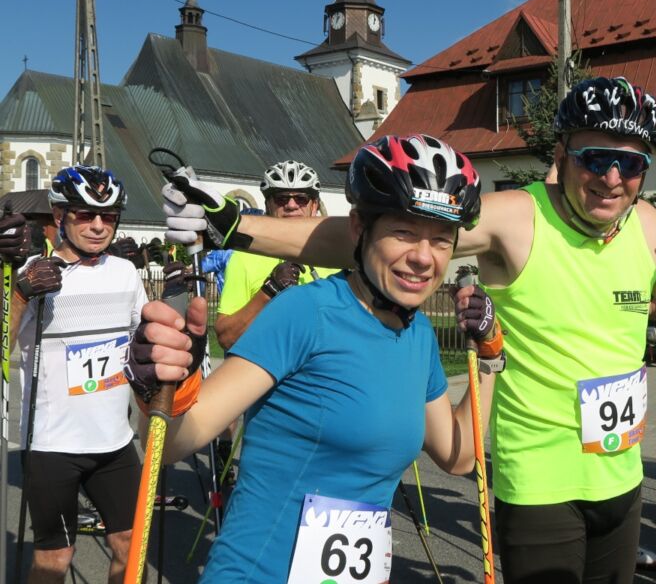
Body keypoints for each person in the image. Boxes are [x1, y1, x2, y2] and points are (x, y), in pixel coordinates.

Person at [159, 76, 656, 583]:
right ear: (563, 155)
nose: (612, 178)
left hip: (621, 473)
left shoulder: (648, 224)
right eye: (596, 159)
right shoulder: (515, 217)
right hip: (540, 477)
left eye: (629, 163)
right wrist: (238, 227)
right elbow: (391, 228)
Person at [125, 134, 503, 583]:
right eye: (403, 232)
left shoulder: (417, 331)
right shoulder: (306, 312)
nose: (423, 258)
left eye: (441, 240)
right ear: (360, 229)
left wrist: (490, 355)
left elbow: (458, 456)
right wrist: (160, 388)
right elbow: (173, 445)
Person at [8, 165, 146, 584]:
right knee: (56, 558)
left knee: (129, 545)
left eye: (109, 216)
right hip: (53, 444)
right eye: (85, 215)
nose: (99, 226)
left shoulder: (125, 272)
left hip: (114, 441)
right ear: (59, 217)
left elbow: (143, 341)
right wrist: (20, 292)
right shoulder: (33, 271)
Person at [212, 162, 336, 483]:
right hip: (273, 404)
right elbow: (226, 336)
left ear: (313, 202)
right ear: (268, 204)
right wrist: (269, 290)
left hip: (331, 399)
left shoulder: (339, 253)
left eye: (300, 197)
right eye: (282, 199)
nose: (291, 205)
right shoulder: (246, 255)